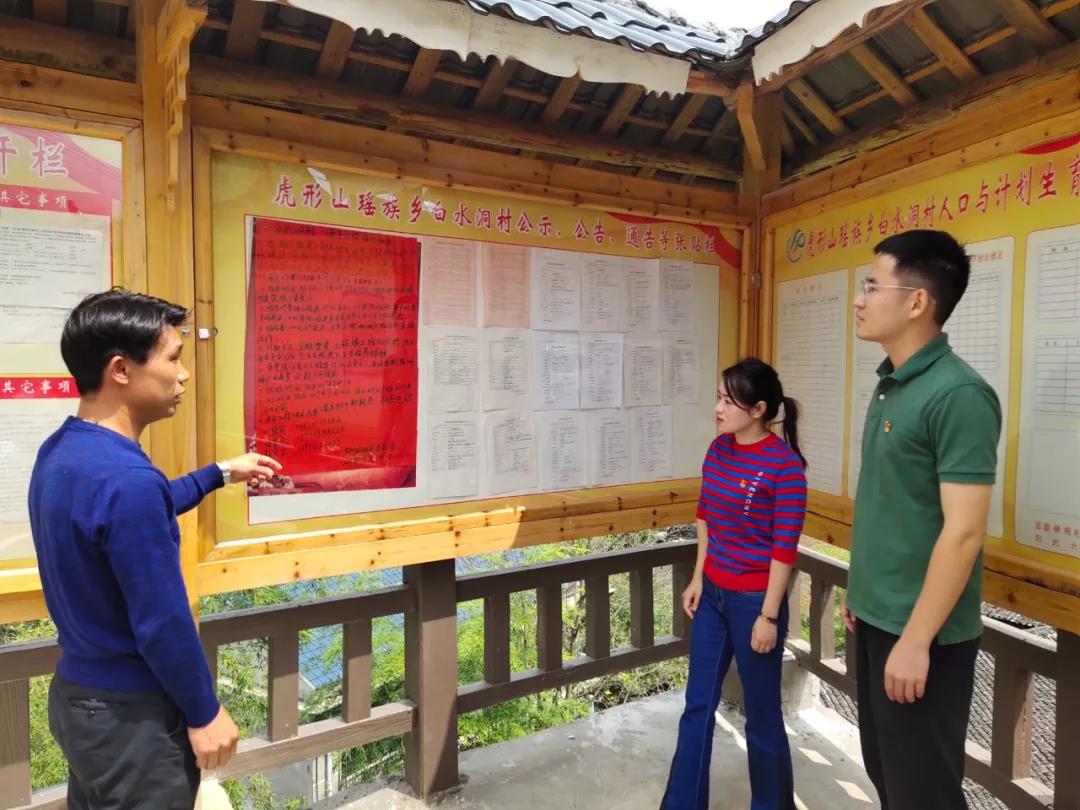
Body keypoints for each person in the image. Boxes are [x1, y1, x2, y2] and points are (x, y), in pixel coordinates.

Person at [29, 289, 283, 809]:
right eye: (173, 358)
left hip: (80, 702)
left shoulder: (62, 452)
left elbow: (133, 510)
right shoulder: (127, 481)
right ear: (121, 369)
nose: (183, 375)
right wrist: (204, 712)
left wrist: (219, 473)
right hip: (133, 722)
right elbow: (162, 621)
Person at [843, 230, 1001, 810]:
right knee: (887, 775)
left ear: (916, 301)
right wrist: (862, 591)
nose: (859, 299)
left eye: (871, 286)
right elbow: (893, 505)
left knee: (923, 792)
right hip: (877, 619)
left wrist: (915, 641)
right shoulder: (891, 384)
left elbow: (964, 533)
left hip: (922, 634)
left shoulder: (959, 394)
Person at [662, 358, 807, 810]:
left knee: (761, 716)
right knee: (697, 707)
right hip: (713, 599)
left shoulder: (785, 468)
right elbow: (705, 516)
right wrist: (698, 577)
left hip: (755, 604)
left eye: (728, 401)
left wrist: (769, 616)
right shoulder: (718, 449)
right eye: (718, 398)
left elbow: (784, 550)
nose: (718, 408)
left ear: (759, 409)